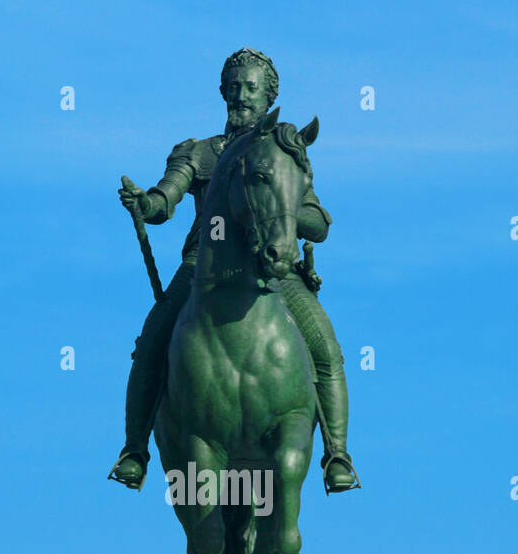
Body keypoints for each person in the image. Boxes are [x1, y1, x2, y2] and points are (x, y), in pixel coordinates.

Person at [110, 48, 358, 494]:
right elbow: (165, 202)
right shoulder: (198, 151)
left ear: (269, 96)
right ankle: (135, 449)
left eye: (251, 88)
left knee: (325, 346)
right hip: (202, 266)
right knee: (152, 339)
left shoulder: (285, 151)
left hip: (275, 270)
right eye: (235, 87)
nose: (242, 96)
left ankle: (337, 454)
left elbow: (318, 224)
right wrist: (144, 204)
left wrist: (281, 206)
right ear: (223, 91)